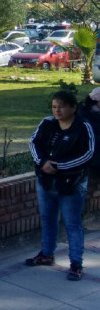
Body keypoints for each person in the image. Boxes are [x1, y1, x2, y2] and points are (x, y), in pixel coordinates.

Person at [29, 90, 94, 281]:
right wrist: (43, 163)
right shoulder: (47, 123)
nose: (57, 110)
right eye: (54, 106)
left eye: (62, 106)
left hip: (72, 184)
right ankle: (46, 254)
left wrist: (59, 166)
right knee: (47, 218)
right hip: (46, 181)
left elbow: (87, 154)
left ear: (73, 108)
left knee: (72, 223)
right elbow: (33, 143)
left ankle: (76, 263)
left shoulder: (83, 127)